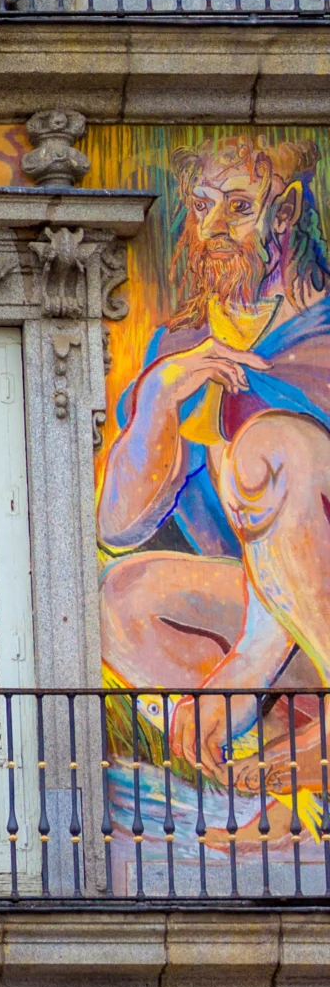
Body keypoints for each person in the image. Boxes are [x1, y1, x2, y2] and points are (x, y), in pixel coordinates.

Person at [100, 137, 330, 778]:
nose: (212, 229)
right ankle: (280, 744)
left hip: (311, 610)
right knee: (119, 600)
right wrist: (160, 396)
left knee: (271, 445)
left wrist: (252, 657)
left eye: (237, 207)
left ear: (283, 215)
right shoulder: (183, 344)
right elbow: (117, 526)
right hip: (268, 627)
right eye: (202, 207)